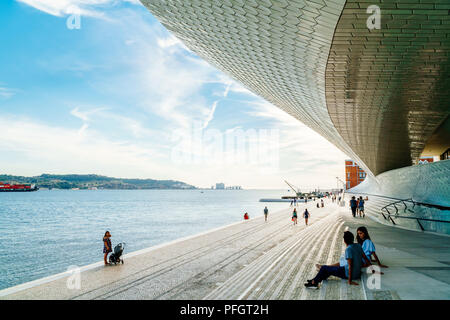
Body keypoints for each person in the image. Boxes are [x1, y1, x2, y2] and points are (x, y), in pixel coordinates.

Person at [305, 231, 371, 289]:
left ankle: (314, 283)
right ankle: (317, 279)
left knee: (324, 268)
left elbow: (350, 266)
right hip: (357, 273)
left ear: (344, 241)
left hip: (348, 274)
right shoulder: (358, 246)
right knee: (328, 270)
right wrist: (373, 269)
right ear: (352, 239)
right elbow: (365, 258)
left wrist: (350, 281)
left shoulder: (348, 249)